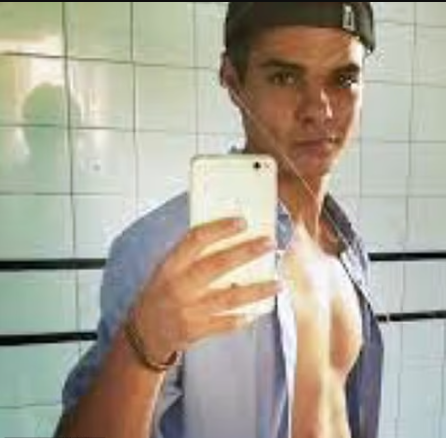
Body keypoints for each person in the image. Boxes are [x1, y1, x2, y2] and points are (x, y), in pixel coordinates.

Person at [55, 3, 383, 438]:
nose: (319, 110)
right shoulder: (165, 249)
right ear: (232, 80)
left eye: (343, 79)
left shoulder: (344, 247)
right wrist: (143, 347)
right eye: (284, 78)